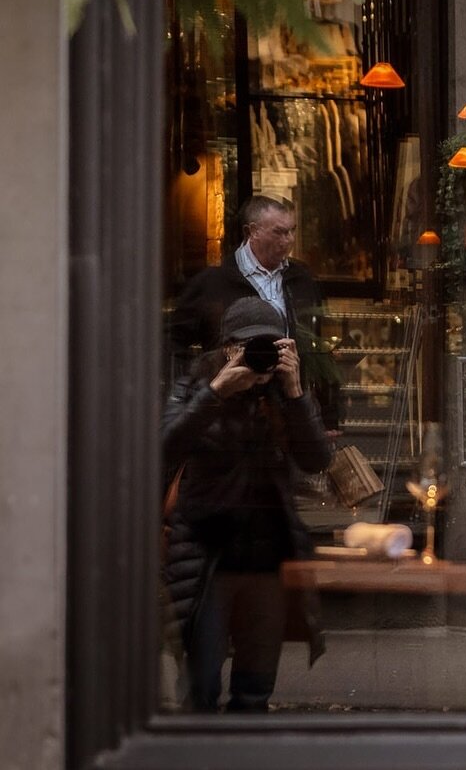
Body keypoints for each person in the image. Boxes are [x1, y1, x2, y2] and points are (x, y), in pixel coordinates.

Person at [161, 297, 332, 712]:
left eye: (270, 347)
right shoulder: (195, 388)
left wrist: (294, 392)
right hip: (208, 560)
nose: (260, 357)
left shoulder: (281, 398)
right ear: (227, 349)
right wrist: (218, 391)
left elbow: (316, 460)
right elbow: (164, 448)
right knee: (200, 688)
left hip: (267, 564)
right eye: (249, 347)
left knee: (255, 690)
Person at [170, 194, 338, 431]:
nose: (289, 240)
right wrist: (200, 386)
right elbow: (173, 344)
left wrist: (328, 413)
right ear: (252, 231)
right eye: (279, 232)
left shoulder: (302, 280)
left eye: (292, 231)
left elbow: (320, 348)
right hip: (225, 415)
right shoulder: (212, 282)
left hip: (287, 409)